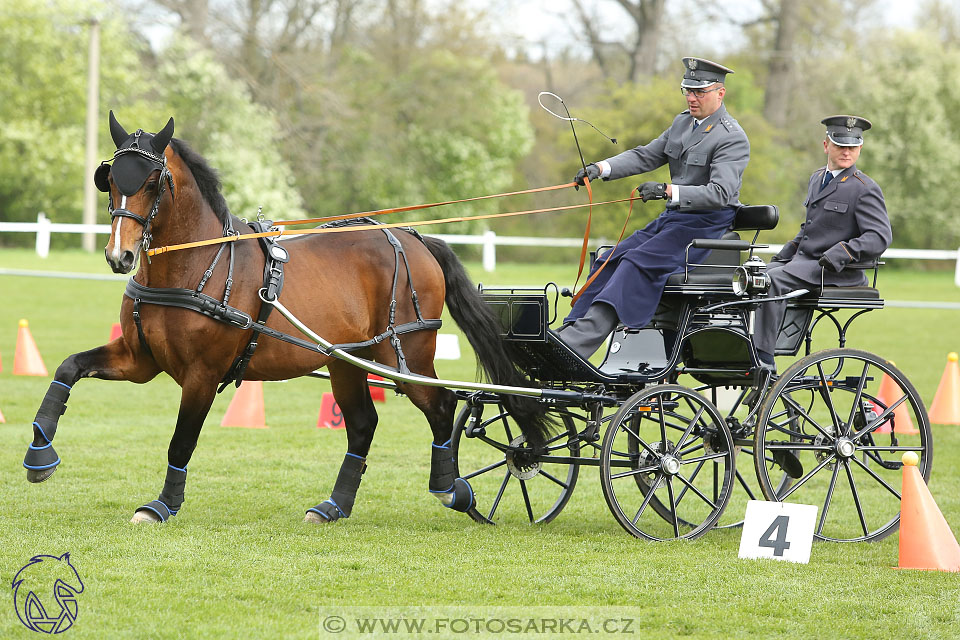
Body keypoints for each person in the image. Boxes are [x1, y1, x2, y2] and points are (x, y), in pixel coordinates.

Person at [558, 57, 750, 359]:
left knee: (636, 262)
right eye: (687, 90)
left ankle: (577, 345)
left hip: (706, 225)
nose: (691, 97)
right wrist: (601, 168)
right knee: (610, 258)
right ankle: (567, 332)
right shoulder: (682, 123)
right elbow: (646, 155)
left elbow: (720, 193)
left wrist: (667, 190)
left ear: (720, 93)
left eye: (699, 91)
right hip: (674, 220)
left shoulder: (732, 137)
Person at [753, 115, 892, 370]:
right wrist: (786, 253)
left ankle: (764, 359)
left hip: (837, 270)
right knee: (755, 277)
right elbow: (812, 228)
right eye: (840, 145)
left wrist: (843, 253)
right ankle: (747, 345)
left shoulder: (864, 188)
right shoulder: (817, 178)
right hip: (808, 264)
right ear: (826, 145)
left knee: (772, 282)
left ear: (860, 148)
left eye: (852, 147)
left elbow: (879, 236)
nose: (846, 152)